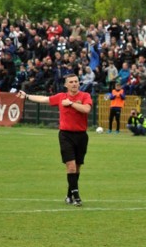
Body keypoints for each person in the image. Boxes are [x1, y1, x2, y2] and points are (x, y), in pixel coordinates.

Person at [17, 74, 92, 207]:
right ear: (66, 85)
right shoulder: (61, 97)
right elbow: (44, 99)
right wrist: (27, 96)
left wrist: (71, 104)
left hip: (81, 135)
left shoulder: (85, 96)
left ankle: (69, 195)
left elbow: (86, 109)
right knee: (71, 165)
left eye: (76, 81)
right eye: (71, 82)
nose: (74, 84)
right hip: (65, 135)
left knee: (78, 167)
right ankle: (76, 196)